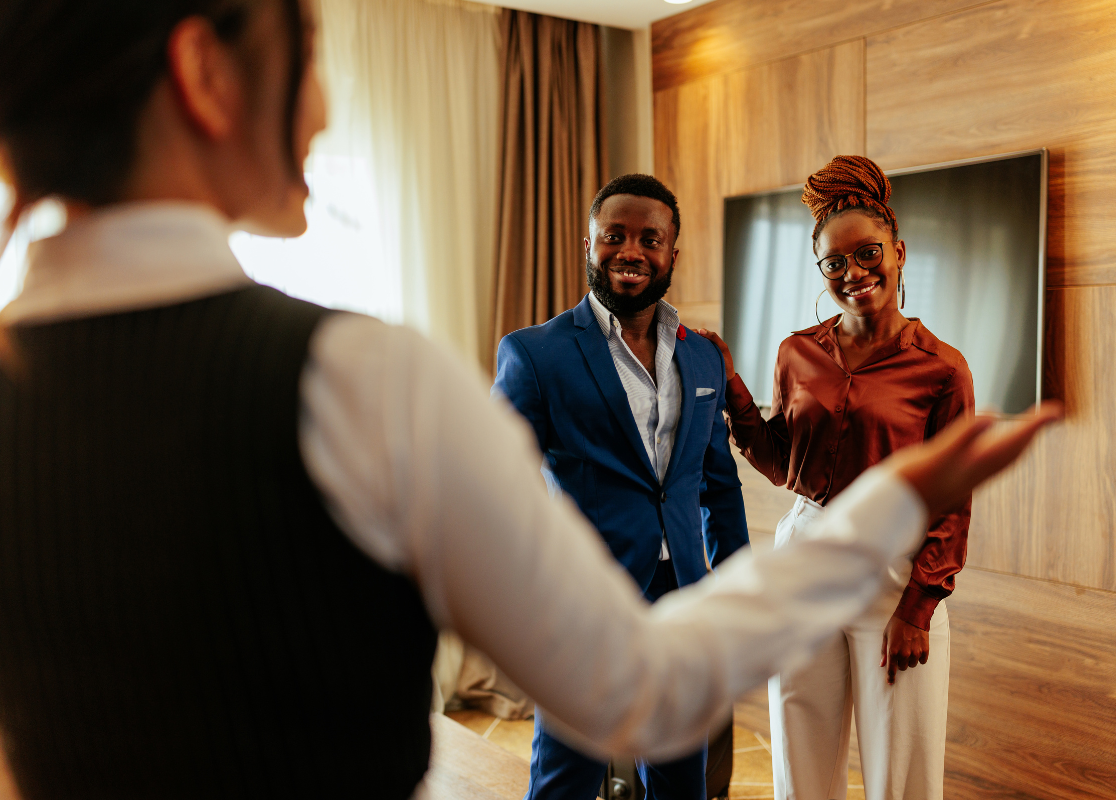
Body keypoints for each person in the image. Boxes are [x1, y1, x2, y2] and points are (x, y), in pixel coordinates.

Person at [0, 2, 1059, 797]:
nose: (321, 109)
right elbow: (631, 679)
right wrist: (887, 502)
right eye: (312, 55)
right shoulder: (364, 379)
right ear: (204, 72)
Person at [699, 155, 973, 800]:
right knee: (799, 752)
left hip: (894, 567)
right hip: (808, 553)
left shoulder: (943, 370)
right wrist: (733, 388)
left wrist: (919, 607)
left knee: (900, 773)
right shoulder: (796, 352)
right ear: (821, 271)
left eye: (868, 254)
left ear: (899, 252)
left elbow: (952, 500)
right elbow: (784, 463)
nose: (853, 273)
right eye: (834, 263)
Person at [493, 173, 749, 800]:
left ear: (671, 254)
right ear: (590, 245)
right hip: (585, 602)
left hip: (684, 599)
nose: (630, 251)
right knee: (567, 778)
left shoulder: (703, 357)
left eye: (648, 239)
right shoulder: (535, 354)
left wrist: (738, 590)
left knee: (681, 779)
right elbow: (496, 485)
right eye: (614, 236)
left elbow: (718, 485)